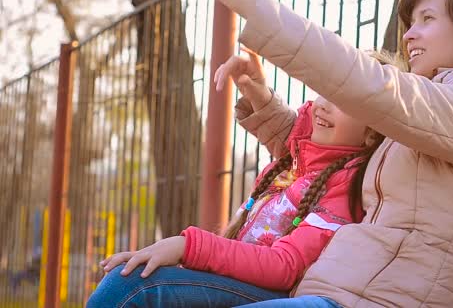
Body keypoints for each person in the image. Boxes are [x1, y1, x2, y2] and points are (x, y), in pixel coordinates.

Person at [187, 0, 453, 308]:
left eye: (428, 19)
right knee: (134, 284)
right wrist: (264, 102)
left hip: (377, 299)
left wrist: (249, 3)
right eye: (411, 22)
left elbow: (371, 87)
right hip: (338, 290)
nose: (410, 33)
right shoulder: (436, 120)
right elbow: (337, 151)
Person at [86, 49, 390, 308]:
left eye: (344, 100)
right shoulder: (292, 165)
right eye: (326, 89)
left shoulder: (346, 185)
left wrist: (186, 247)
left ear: (372, 131)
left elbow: (285, 267)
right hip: (242, 284)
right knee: (130, 274)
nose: (324, 103)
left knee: (132, 287)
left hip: (274, 294)